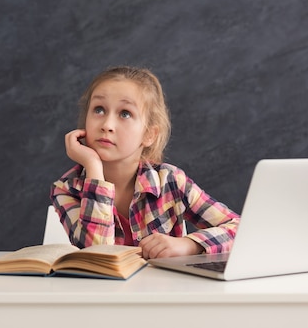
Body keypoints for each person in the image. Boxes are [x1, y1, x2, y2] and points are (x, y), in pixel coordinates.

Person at [50, 66, 239, 259]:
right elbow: (97, 255)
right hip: (104, 290)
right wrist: (93, 166)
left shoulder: (171, 181)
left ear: (149, 134)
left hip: (162, 289)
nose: (107, 125)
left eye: (125, 114)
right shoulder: (67, 189)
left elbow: (239, 229)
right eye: (99, 110)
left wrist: (190, 244)